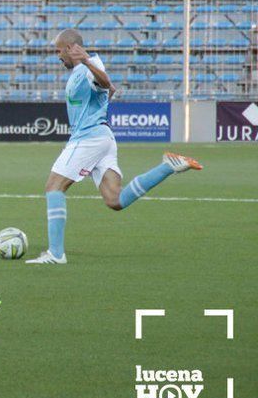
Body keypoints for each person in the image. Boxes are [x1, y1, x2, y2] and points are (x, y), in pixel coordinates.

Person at [26, 29, 203, 264]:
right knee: (115, 200)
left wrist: (88, 62)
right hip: (102, 138)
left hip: (88, 137)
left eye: (59, 51)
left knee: (53, 187)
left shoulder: (90, 64)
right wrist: (100, 100)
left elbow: (105, 82)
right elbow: (110, 89)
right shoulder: (81, 70)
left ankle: (56, 254)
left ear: (70, 48)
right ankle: (168, 167)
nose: (58, 56)